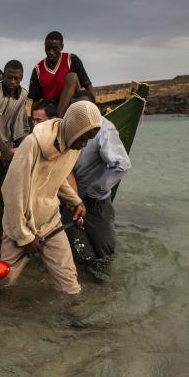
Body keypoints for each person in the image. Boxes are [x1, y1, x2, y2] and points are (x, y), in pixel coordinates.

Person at [0, 101, 102, 328]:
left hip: (50, 221)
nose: (83, 144)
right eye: (82, 137)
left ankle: (77, 323)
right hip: (20, 224)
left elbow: (57, 175)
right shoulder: (32, 145)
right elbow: (11, 192)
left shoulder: (73, 145)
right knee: (3, 283)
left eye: (88, 139)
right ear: (72, 128)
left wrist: (75, 201)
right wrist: (25, 237)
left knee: (69, 283)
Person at [63, 91, 131, 269]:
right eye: (77, 111)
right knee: (80, 254)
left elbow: (122, 164)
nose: (82, 116)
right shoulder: (69, 126)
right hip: (71, 198)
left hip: (95, 201)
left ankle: (105, 291)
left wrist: (95, 192)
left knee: (105, 254)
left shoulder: (104, 130)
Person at [29, 31, 95, 118]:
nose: (51, 52)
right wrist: (33, 124)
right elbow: (36, 101)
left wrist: (95, 110)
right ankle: (58, 120)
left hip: (71, 105)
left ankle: (60, 120)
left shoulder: (72, 60)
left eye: (55, 49)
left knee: (72, 77)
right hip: (51, 110)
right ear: (44, 45)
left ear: (62, 47)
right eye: (48, 48)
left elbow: (88, 86)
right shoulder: (38, 69)